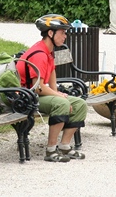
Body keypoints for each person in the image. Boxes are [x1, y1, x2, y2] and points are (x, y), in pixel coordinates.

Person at [16, 14, 87, 163]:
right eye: (62, 32)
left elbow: (52, 73)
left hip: (36, 95)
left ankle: (65, 146)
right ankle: (50, 150)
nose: (65, 36)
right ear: (50, 33)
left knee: (80, 104)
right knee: (62, 103)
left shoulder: (49, 51)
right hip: (26, 98)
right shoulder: (40, 54)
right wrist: (59, 96)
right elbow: (38, 88)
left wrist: (57, 92)